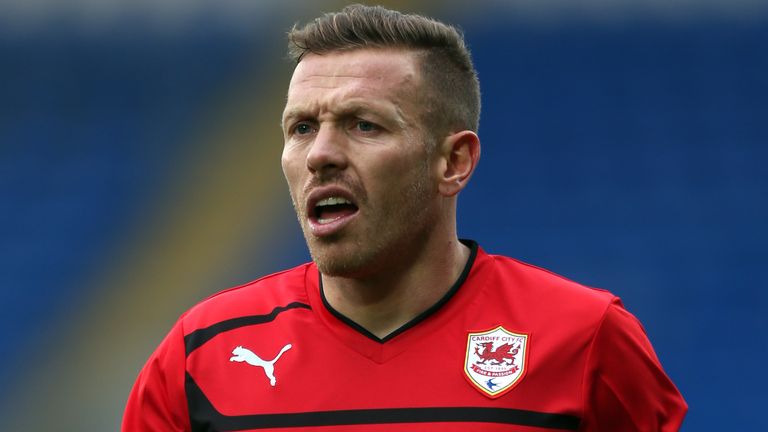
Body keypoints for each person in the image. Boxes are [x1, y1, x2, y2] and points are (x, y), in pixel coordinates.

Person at [122, 4, 687, 431]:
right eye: (301, 128)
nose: (320, 153)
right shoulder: (203, 356)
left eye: (364, 124)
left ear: (453, 162)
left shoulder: (585, 340)